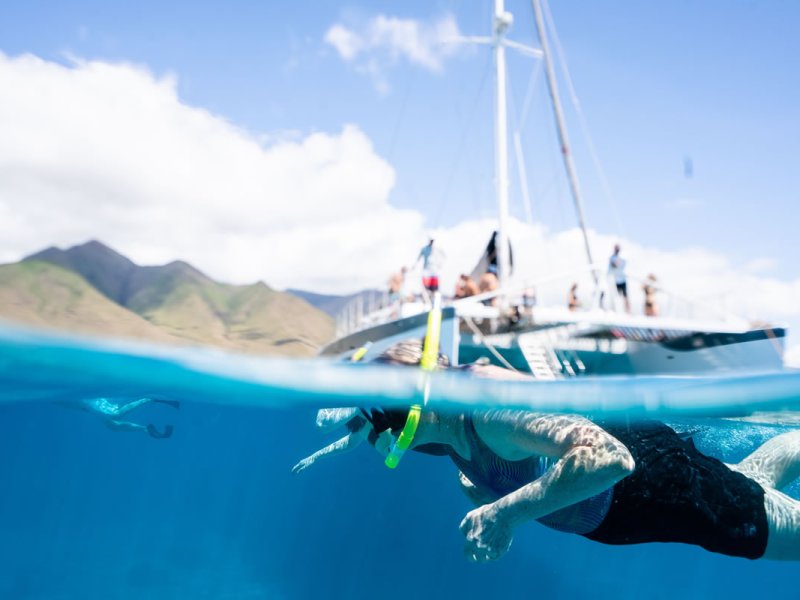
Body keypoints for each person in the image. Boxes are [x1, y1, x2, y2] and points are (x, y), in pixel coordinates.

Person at [298, 340, 800, 563]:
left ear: (416, 404)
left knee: (768, 525)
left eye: (390, 423)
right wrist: (490, 504)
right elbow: (501, 475)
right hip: (637, 502)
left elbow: (606, 456)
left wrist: (504, 514)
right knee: (750, 480)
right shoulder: (450, 429)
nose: (387, 438)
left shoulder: (488, 410)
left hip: (655, 488)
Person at [77, 397, 180, 438]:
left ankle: (149, 400)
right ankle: (149, 400)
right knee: (113, 420)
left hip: (88, 402)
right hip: (87, 403)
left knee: (113, 419)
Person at [608, 244, 630, 313]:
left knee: (625, 296)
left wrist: (617, 262)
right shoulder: (612, 258)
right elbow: (614, 265)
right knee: (616, 297)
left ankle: (628, 312)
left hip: (622, 280)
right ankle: (616, 311)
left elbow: (621, 264)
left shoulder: (622, 258)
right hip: (616, 281)